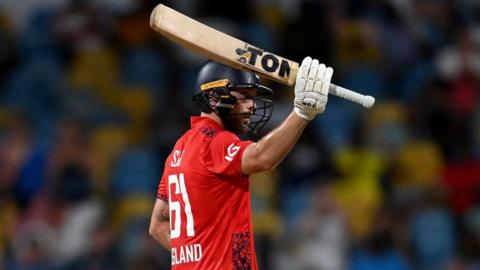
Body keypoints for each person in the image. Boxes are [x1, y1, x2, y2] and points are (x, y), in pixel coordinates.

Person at [149, 57, 333, 269]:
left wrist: (200, 258)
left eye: (252, 98)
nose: (251, 106)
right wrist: (302, 112)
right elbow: (262, 158)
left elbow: (158, 225)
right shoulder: (214, 141)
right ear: (214, 97)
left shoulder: (177, 151)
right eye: (243, 96)